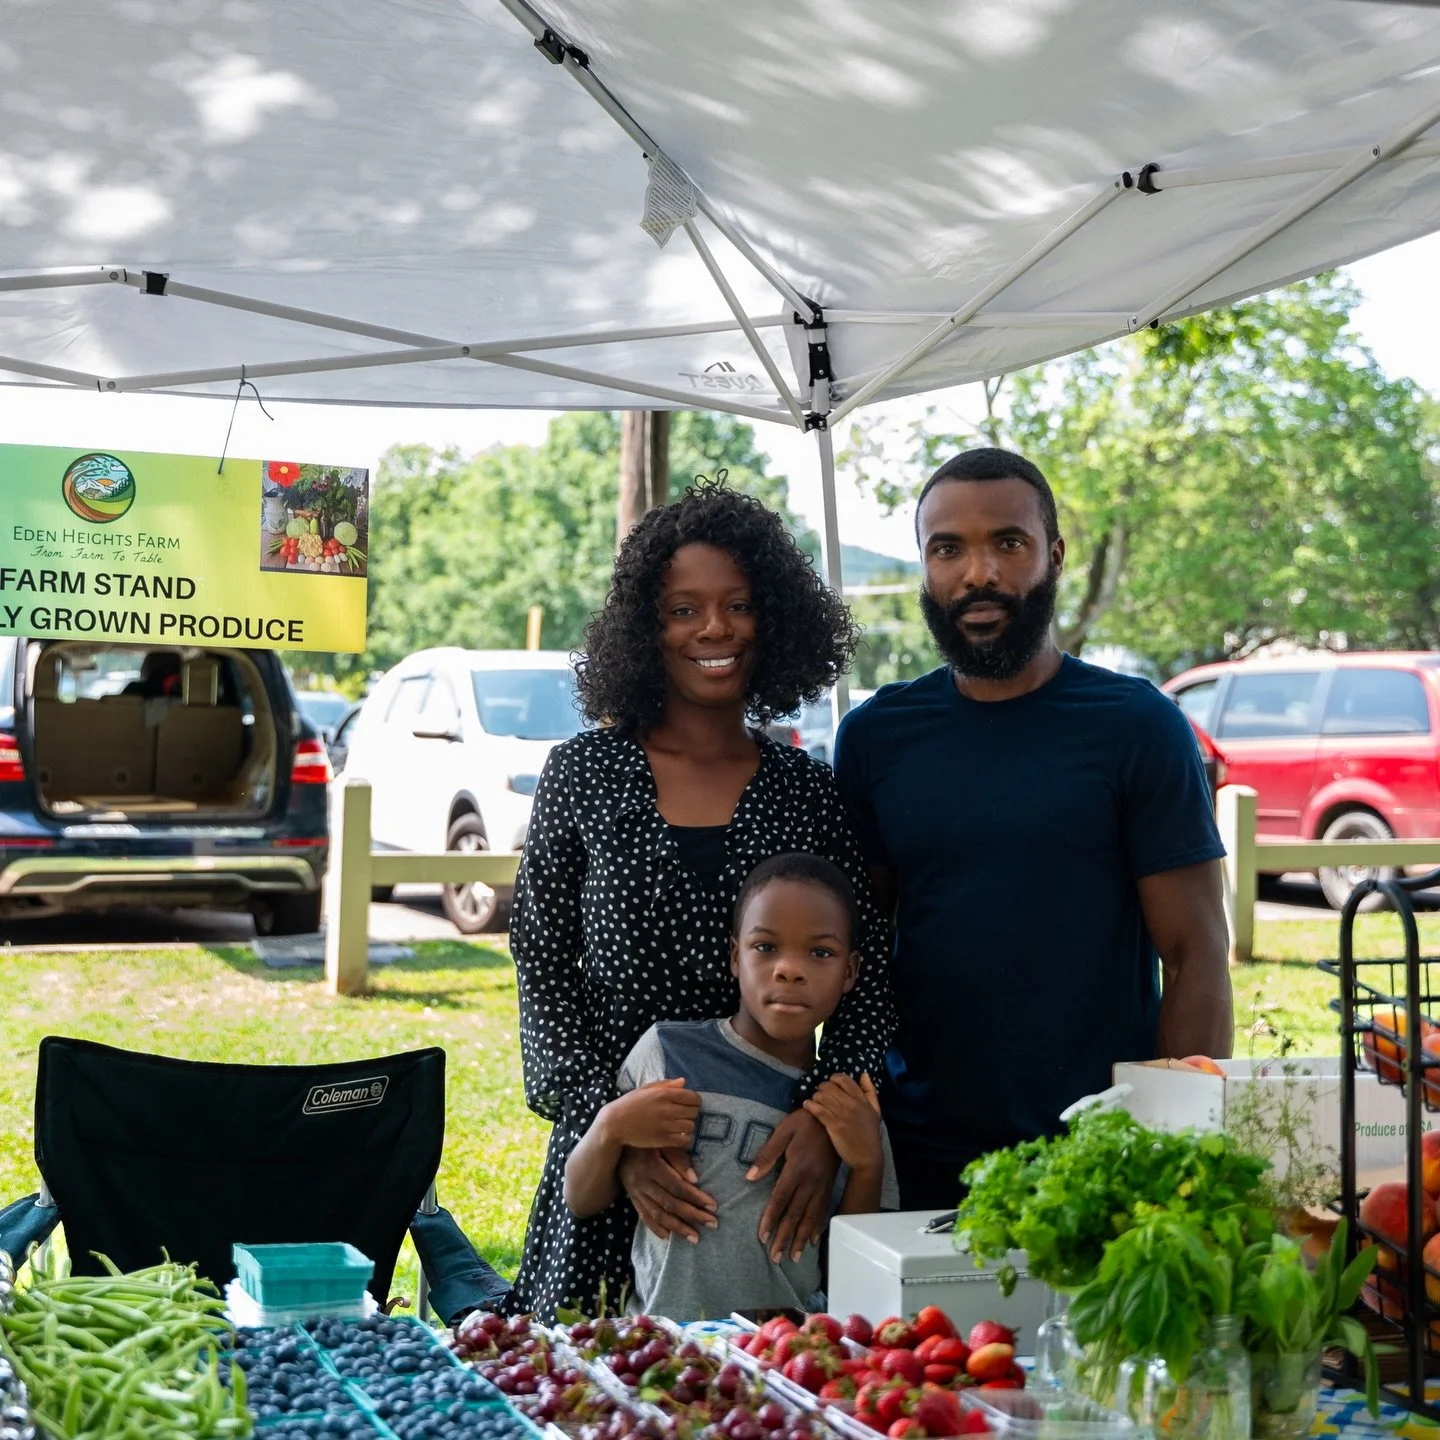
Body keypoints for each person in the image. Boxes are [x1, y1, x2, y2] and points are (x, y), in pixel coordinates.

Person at [510, 480, 895, 1318]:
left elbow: (866, 974)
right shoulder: (581, 775)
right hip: (608, 1178)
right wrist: (609, 1134)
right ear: (648, 629)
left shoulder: (808, 793)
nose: (714, 629)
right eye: (683, 609)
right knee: (592, 1400)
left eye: (738, 605)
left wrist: (826, 1121)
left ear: (776, 619)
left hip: (766, 1178)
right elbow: (541, 969)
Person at [833, 447, 1233, 1211]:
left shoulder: (1138, 726)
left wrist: (1175, 1146)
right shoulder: (876, 736)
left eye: (1006, 544)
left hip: (1100, 1149)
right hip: (915, 1152)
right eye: (947, 549)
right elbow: (854, 952)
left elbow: (1196, 954)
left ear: (1052, 556)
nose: (977, 574)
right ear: (924, 569)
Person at [564, 853, 897, 1319]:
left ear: (851, 972)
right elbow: (581, 1199)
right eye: (765, 947)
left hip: (785, 1357)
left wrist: (866, 1165)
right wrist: (609, 1127)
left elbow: (858, 1267)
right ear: (733, 957)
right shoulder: (665, 1051)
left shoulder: (847, 1108)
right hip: (659, 1348)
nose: (789, 969)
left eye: (820, 953)